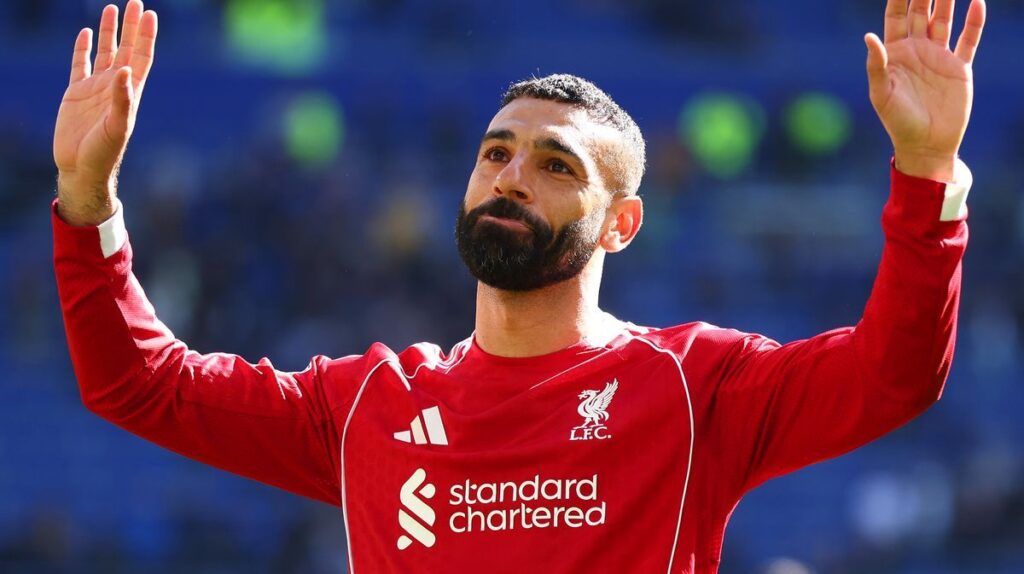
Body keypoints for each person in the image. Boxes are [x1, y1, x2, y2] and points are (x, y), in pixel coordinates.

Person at [51, 0, 986, 571]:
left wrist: (926, 172)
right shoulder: (368, 405)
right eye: (495, 153)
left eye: (555, 165)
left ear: (622, 223)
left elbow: (893, 375)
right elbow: (137, 384)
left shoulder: (696, 389)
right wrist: (87, 199)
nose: (509, 175)